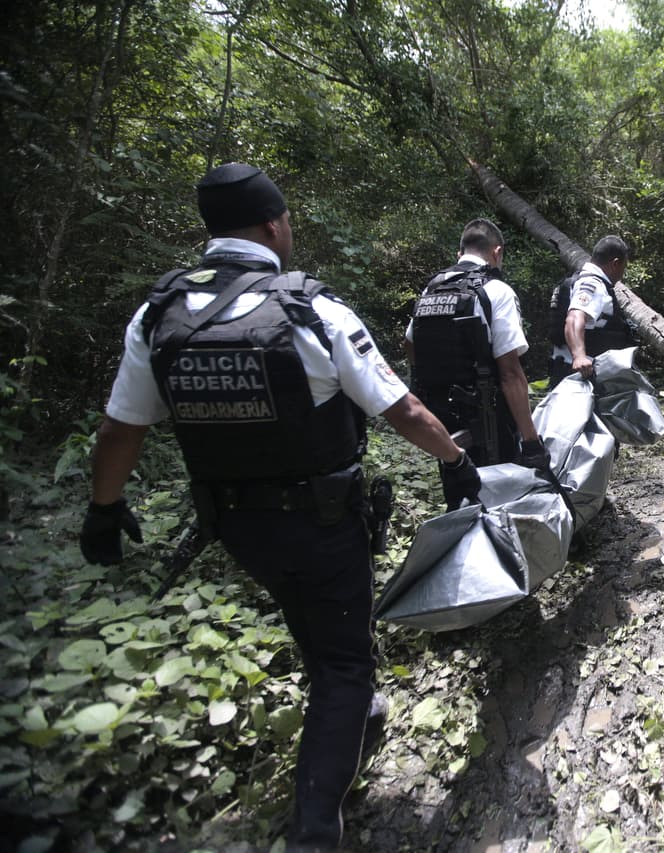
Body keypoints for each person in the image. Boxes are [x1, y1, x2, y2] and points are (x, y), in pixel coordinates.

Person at [78, 163, 481, 851]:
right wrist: (458, 460)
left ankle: (354, 718)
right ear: (273, 224)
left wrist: (103, 508)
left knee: (317, 631)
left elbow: (121, 428)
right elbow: (403, 409)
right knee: (346, 664)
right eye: (287, 220)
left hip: (236, 527)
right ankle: (315, 828)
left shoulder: (159, 315)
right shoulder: (309, 309)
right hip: (321, 523)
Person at [404, 218, 550, 472]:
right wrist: (531, 441)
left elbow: (409, 343)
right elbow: (510, 373)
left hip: (443, 421)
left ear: (459, 253)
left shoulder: (432, 289)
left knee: (459, 491)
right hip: (490, 421)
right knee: (501, 501)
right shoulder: (496, 290)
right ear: (497, 252)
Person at [547, 235, 636, 387]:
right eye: (623, 267)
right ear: (615, 264)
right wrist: (579, 356)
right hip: (580, 377)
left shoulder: (582, 279)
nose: (622, 274)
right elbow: (574, 318)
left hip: (570, 373)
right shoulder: (593, 284)